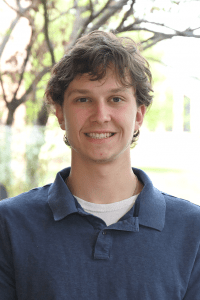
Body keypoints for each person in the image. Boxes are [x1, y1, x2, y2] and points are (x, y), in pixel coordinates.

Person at [0, 31, 200, 300]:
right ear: (60, 113)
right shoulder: (9, 225)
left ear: (139, 115)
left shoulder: (192, 230)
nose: (101, 116)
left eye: (116, 99)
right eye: (83, 99)